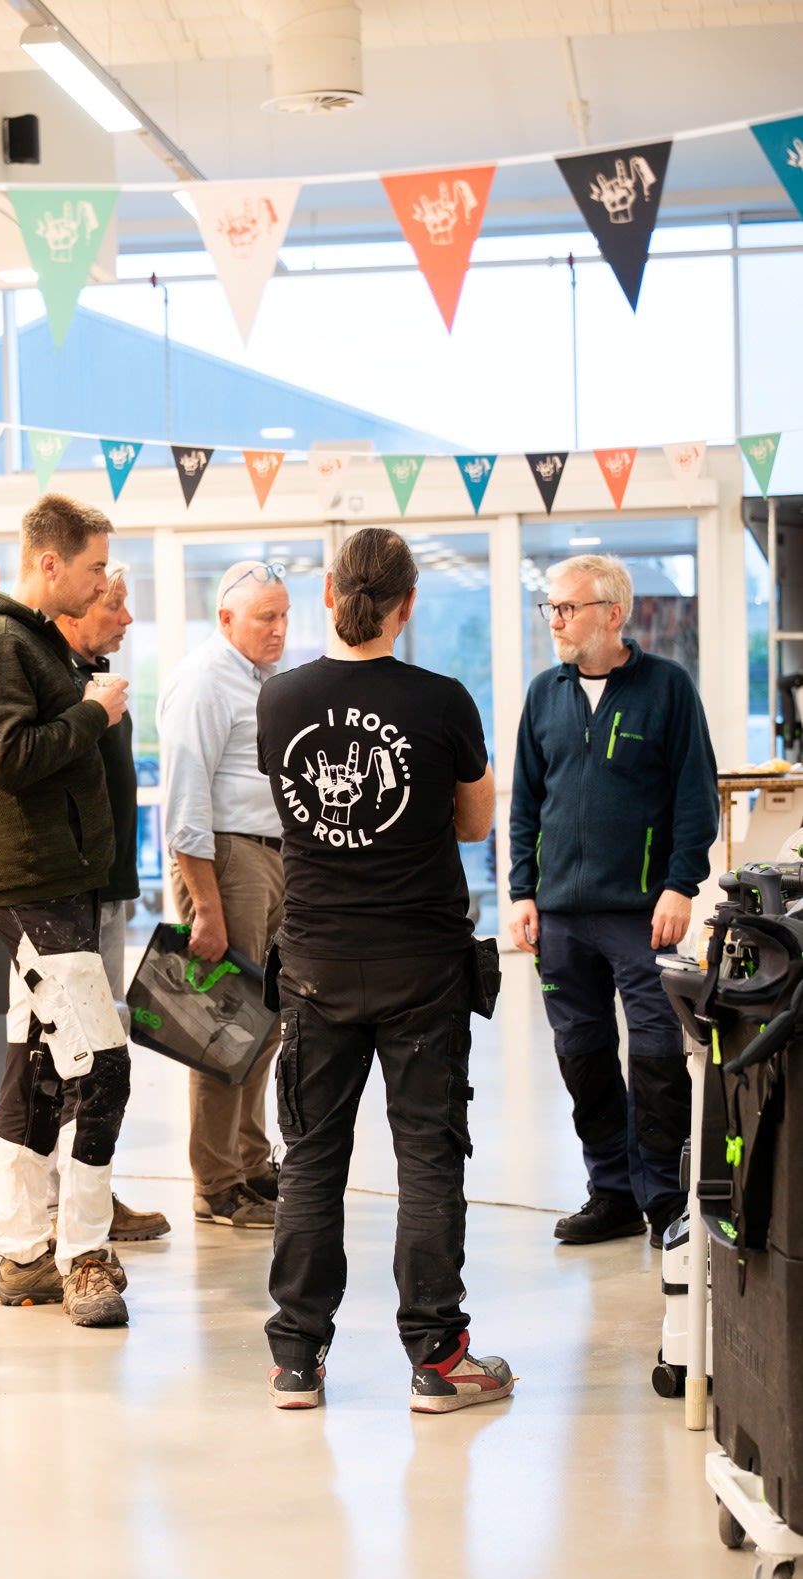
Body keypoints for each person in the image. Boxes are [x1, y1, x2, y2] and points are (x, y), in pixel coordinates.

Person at [256, 526, 513, 1413]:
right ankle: (438, 1363)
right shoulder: (443, 702)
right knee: (428, 1164)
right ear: (407, 604)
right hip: (423, 967)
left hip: (316, 964)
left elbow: (296, 814)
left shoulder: (278, 700)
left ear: (329, 594)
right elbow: (475, 824)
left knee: (310, 1162)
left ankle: (296, 1361)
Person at [0, 493, 133, 1330]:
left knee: (40, 1068)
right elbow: (11, 758)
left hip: (61, 879)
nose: (101, 590)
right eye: (93, 569)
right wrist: (94, 713)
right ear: (48, 562)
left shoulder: (31, 639)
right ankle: (82, 1251)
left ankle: (22, 1256)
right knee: (104, 1065)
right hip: (30, 884)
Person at [509, 553, 719, 1248]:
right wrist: (520, 891)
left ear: (612, 613)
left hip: (641, 912)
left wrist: (680, 884)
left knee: (658, 1059)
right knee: (583, 1057)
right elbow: (525, 804)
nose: (556, 621)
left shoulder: (666, 689)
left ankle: (664, 1201)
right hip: (560, 917)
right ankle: (612, 1192)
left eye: (567, 609)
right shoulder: (544, 694)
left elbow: (693, 797)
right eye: (551, 609)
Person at [158, 561, 288, 1231]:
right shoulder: (204, 680)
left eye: (284, 615)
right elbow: (184, 803)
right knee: (222, 1026)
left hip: (267, 858)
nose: (279, 629)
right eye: (265, 617)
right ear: (226, 620)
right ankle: (215, 1184)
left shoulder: (258, 681)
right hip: (225, 860)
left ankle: (250, 1159)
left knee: (261, 1026)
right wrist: (204, 906)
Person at [50, 565, 170, 1243]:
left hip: (110, 888)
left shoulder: (99, 679)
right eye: (114, 604)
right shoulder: (63, 685)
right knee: (81, 1053)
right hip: (77, 895)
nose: (127, 619)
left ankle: (93, 1189)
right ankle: (69, 1204)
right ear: (74, 608)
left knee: (104, 1048)